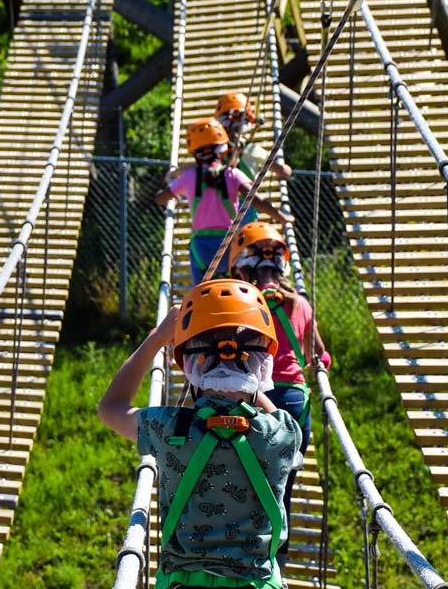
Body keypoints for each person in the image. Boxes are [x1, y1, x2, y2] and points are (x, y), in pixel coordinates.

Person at [98, 279, 302, 589]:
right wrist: (243, 361)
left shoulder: (169, 428)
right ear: (263, 367)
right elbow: (265, 401)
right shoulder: (283, 433)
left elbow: (110, 408)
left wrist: (156, 340)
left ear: (191, 366)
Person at [229, 220, 332, 570]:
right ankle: (278, 558)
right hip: (296, 400)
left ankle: (245, 551)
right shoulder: (301, 304)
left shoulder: (245, 302)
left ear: (244, 269)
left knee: (245, 475)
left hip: (255, 395)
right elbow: (323, 356)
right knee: (282, 482)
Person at [156, 118, 292, 285]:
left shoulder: (189, 177)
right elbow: (255, 199)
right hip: (231, 244)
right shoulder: (232, 174)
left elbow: (163, 198)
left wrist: (161, 194)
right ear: (222, 150)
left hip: (200, 247)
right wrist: (281, 217)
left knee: (200, 293)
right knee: (237, 288)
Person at [214, 91, 292, 183]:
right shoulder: (250, 149)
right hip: (245, 194)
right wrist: (279, 175)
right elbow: (284, 171)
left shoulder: (209, 150)